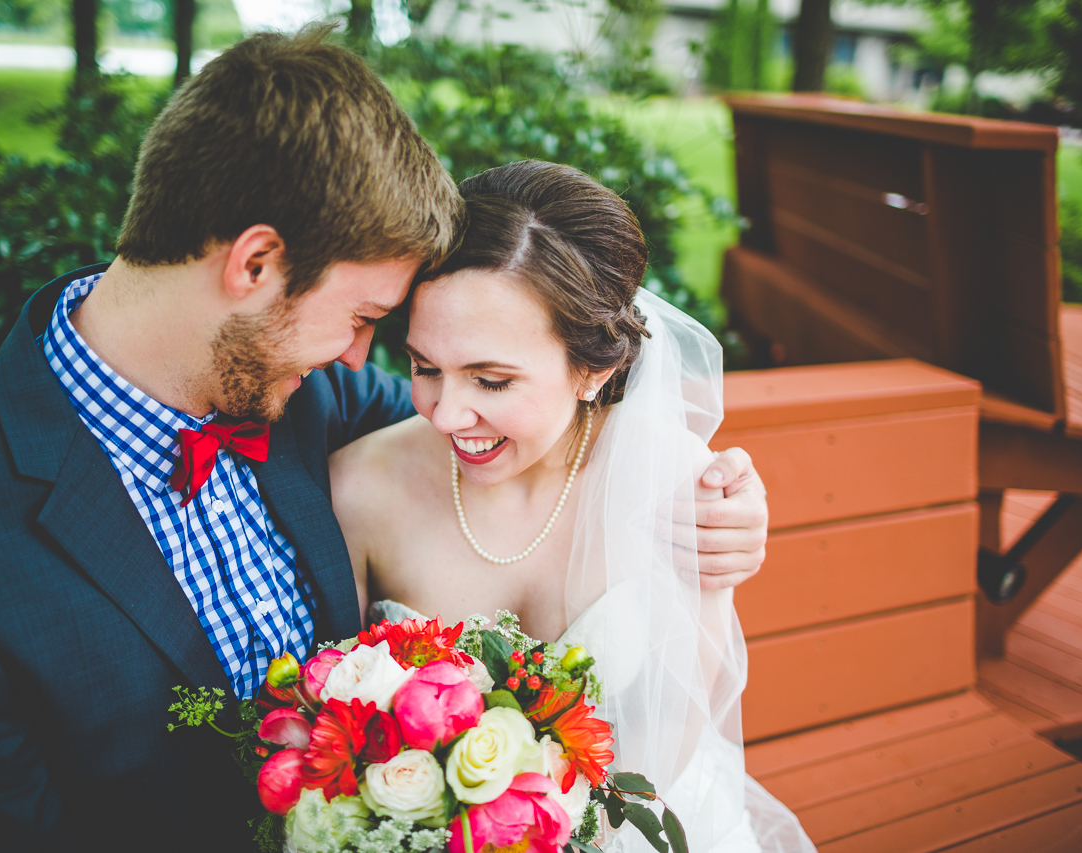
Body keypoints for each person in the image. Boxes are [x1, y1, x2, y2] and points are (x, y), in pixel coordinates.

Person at [0, 30, 768, 850]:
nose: (374, 367)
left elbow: (522, 419)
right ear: (256, 263)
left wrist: (718, 506)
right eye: (362, 320)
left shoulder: (314, 395)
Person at [330, 161, 813, 852]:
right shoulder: (360, 488)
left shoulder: (673, 481)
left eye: (491, 380)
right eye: (425, 367)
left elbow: (676, 720)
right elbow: (349, 723)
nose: (447, 414)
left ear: (594, 369)